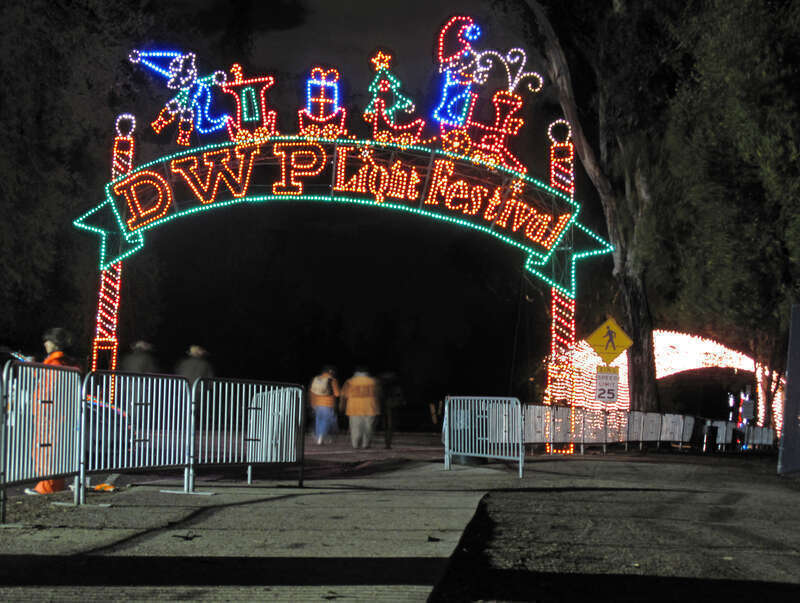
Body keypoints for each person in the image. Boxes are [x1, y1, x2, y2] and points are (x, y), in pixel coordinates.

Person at [25, 327, 80, 496]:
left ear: (55, 343)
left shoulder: (55, 364)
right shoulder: (65, 363)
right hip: (58, 414)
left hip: (49, 415)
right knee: (55, 452)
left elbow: (49, 389)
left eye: (47, 340)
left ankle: (46, 487)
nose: (45, 343)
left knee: (46, 451)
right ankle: (55, 485)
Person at [340, 367, 380, 449]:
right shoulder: (373, 381)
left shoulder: (350, 381)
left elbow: (344, 395)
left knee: (355, 427)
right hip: (370, 407)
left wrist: (342, 406)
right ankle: (366, 444)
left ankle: (355, 444)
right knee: (368, 427)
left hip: (354, 408)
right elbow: (379, 394)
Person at [309, 366, 340, 445]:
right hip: (328, 403)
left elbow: (312, 392)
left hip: (317, 403)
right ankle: (322, 437)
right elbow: (337, 393)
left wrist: (312, 403)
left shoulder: (317, 379)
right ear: (331, 372)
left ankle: (318, 436)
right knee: (327, 421)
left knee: (319, 420)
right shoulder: (332, 380)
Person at [379, 371, 405, 449]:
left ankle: (388, 443)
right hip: (389, 407)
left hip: (389, 407)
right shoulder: (389, 388)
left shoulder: (386, 387)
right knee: (389, 427)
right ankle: (388, 443)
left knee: (388, 427)